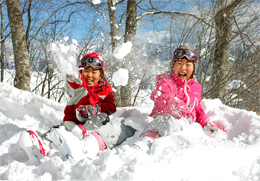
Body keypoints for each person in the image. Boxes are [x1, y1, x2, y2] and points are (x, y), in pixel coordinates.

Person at [70, 45, 225, 160]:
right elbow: (162, 96)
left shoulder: (196, 87)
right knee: (124, 125)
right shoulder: (166, 80)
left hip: (175, 129)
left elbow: (196, 107)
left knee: (167, 120)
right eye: (179, 63)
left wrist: (205, 121)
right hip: (157, 122)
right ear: (173, 65)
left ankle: (141, 148)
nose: (183, 68)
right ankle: (88, 144)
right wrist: (176, 104)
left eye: (188, 65)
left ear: (194, 68)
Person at [18, 52, 116, 165]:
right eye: (86, 72)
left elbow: (112, 107)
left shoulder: (106, 89)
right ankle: (41, 145)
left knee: (103, 117)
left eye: (94, 72)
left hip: (93, 125)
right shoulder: (79, 85)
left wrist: (96, 109)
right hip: (74, 122)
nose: (89, 75)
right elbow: (72, 84)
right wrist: (70, 75)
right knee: (61, 130)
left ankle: (81, 138)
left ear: (101, 74)